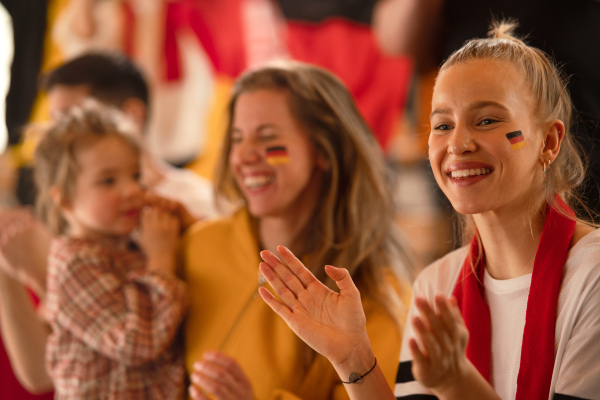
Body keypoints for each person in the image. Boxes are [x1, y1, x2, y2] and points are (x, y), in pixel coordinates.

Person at [258, 22, 600, 400]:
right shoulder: (436, 285)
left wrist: (457, 383)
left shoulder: (592, 273)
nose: (457, 143)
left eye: (487, 120)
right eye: (442, 124)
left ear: (548, 141)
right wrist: (352, 356)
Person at [183, 61, 414, 399]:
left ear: (323, 150)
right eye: (236, 138)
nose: (244, 155)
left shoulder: (375, 295)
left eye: (268, 139)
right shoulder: (198, 244)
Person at [32, 103, 187, 398]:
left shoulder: (130, 243)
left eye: (135, 175)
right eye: (108, 181)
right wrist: (161, 257)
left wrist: (184, 226)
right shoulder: (74, 261)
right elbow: (138, 343)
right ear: (63, 199)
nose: (131, 190)